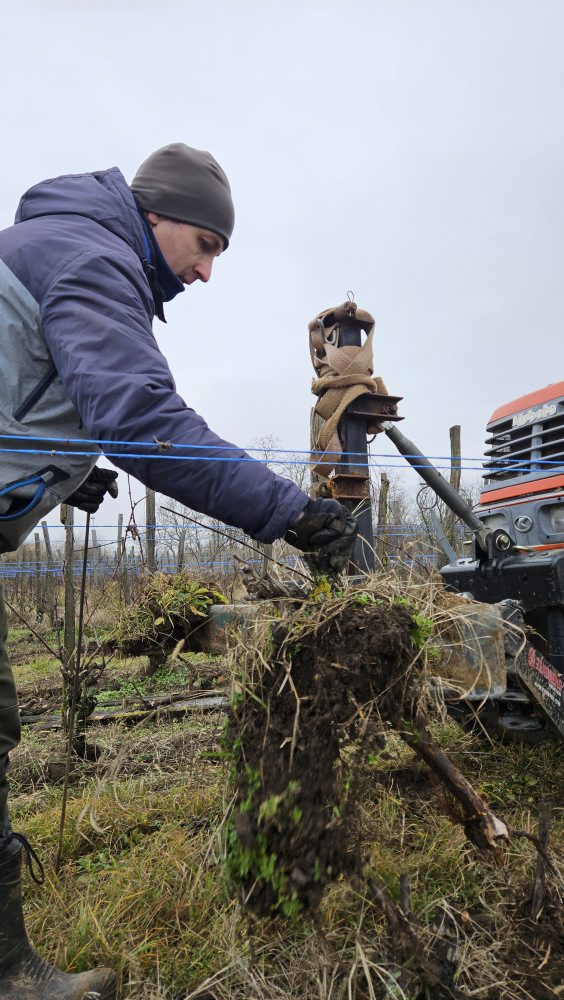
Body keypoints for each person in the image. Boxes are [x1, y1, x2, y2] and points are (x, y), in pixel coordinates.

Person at [0, 143, 356, 999]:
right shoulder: (94, 262)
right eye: (204, 245)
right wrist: (289, 511)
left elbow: (30, 384)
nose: (205, 273)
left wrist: (67, 467)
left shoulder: (57, 245)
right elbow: (144, 414)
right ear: (154, 216)